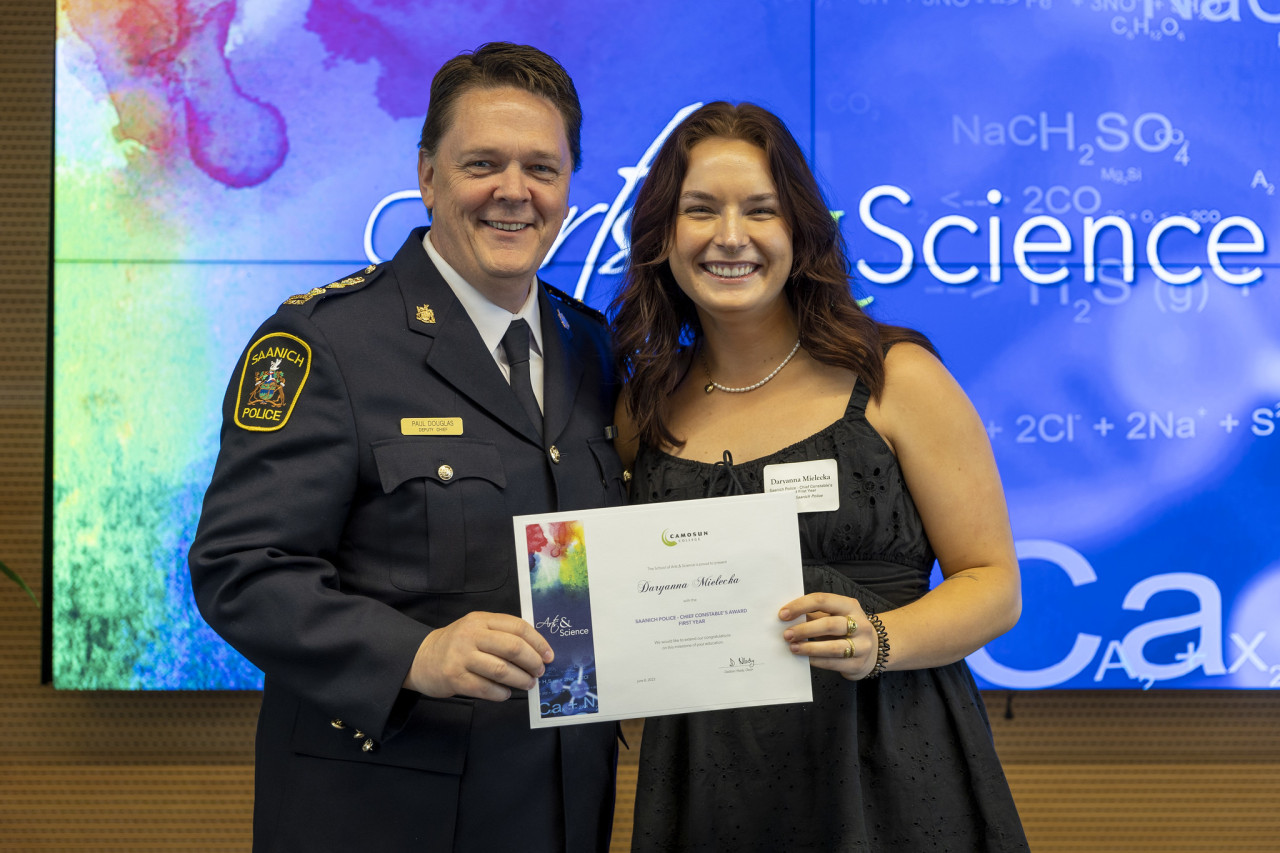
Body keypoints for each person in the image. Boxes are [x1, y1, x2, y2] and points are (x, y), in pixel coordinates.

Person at [189, 43, 627, 853]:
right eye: (482, 163)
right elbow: (240, 566)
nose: (514, 192)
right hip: (383, 809)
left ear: (568, 188)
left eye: (542, 168)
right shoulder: (325, 342)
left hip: (559, 807)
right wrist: (414, 652)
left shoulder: (593, 346)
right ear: (427, 176)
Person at [610, 102, 1030, 852]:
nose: (730, 236)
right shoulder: (643, 406)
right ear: (662, 237)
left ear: (801, 230)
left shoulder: (896, 376)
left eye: (760, 210)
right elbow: (604, 597)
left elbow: (994, 583)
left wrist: (880, 638)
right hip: (708, 778)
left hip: (888, 761)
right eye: (700, 209)